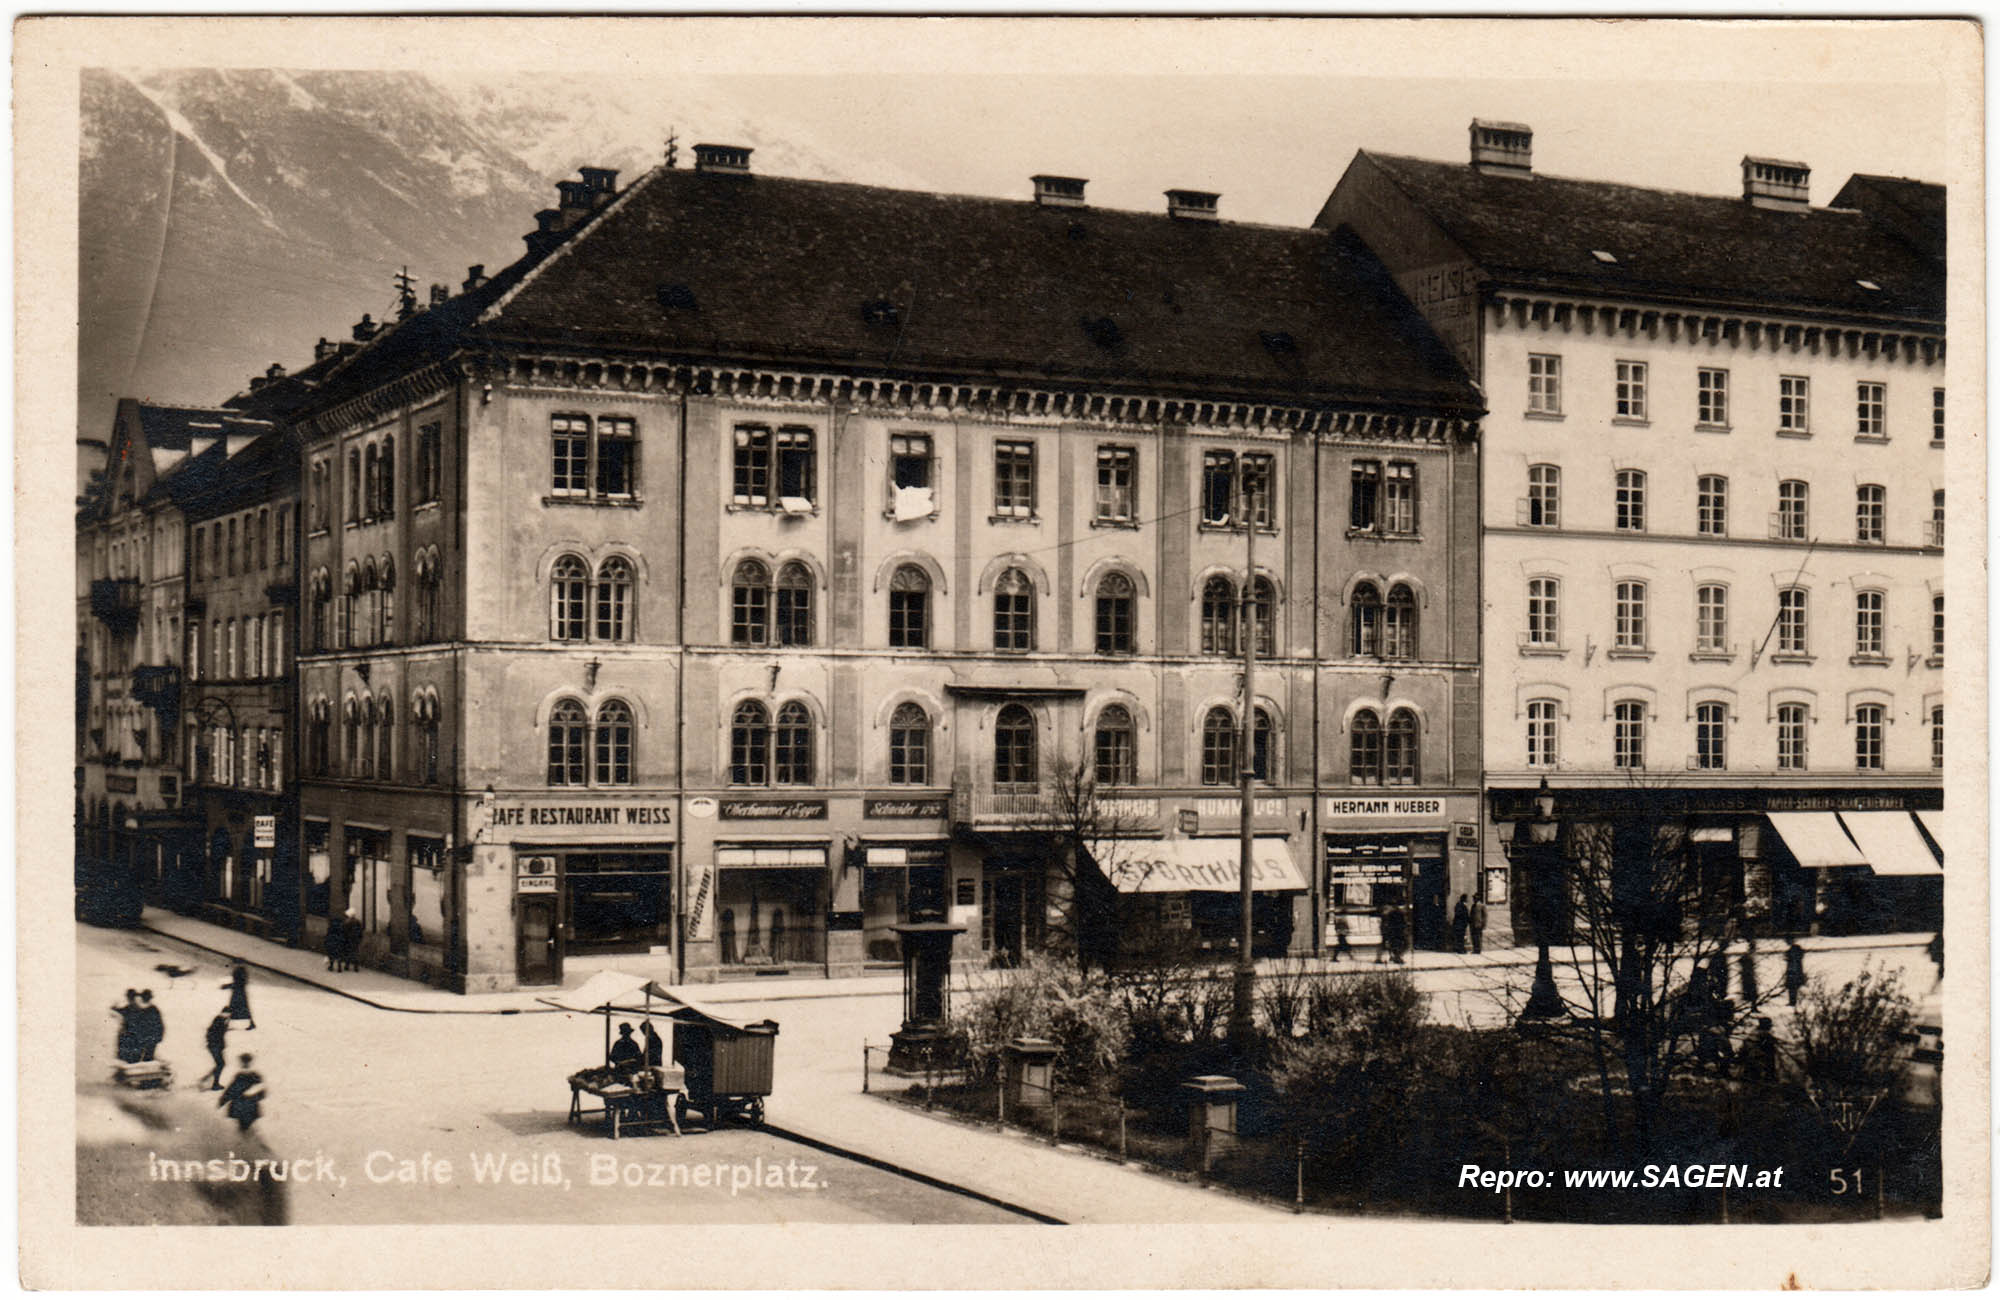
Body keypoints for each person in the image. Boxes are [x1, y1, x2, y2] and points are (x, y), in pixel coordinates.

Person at [217, 1054, 266, 1132]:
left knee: (245, 1128)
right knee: (244, 1128)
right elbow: (231, 1090)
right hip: (245, 1106)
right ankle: (249, 1140)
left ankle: (249, 1140)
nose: (244, 1064)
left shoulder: (251, 1076)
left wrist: (222, 1101)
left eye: (246, 1061)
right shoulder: (243, 1075)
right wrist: (222, 1101)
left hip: (245, 1106)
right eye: (244, 1062)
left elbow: (263, 1092)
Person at [200, 1012, 231, 1090]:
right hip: (215, 1047)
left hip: (214, 1046)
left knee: (220, 1064)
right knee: (221, 1064)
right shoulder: (220, 1021)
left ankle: (207, 1079)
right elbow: (220, 1032)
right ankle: (214, 1084)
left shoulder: (218, 1020)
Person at [111, 989, 143, 1064]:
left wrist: (115, 1005)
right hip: (135, 1034)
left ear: (128, 997)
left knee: (125, 1053)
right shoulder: (139, 1008)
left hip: (126, 1034)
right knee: (135, 1053)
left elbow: (113, 1009)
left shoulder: (127, 1008)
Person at [222, 961, 255, 1029]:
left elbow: (237, 983)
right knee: (244, 1009)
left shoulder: (239, 971)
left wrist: (226, 986)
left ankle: (227, 1024)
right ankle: (252, 1023)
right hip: (240, 992)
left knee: (233, 1008)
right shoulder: (242, 971)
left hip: (237, 993)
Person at [134, 989, 165, 1061]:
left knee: (140, 1056)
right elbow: (159, 1024)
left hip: (144, 1037)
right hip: (149, 1037)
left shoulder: (139, 1009)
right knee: (147, 1056)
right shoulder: (153, 1009)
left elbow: (159, 1024)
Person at [1783, 940, 1808, 1008]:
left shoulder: (1794, 950)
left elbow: (1791, 958)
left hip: (1793, 972)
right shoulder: (1796, 950)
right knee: (1793, 988)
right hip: (1795, 971)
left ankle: (1793, 1001)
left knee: (1792, 987)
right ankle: (1793, 1001)